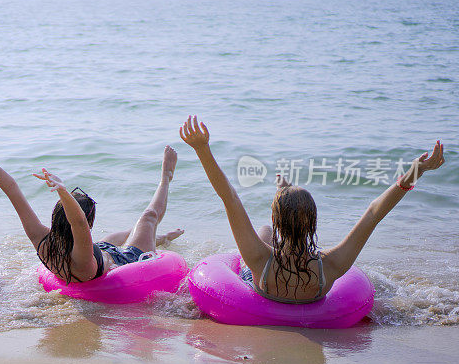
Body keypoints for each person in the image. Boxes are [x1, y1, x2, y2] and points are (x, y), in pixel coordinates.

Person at [179, 114, 446, 303]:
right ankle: (287, 194)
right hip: (311, 278)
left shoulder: (259, 259)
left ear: (278, 221)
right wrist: (417, 170)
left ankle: (282, 198)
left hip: (264, 278)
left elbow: (230, 197)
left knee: (262, 231)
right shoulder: (330, 265)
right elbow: (375, 212)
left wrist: (202, 149)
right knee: (267, 232)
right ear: (314, 223)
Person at [0, 123, 184, 283]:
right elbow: (77, 222)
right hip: (126, 258)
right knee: (147, 218)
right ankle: (166, 177)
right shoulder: (82, 255)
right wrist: (63, 191)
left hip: (104, 252)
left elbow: (12, 190)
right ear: (87, 224)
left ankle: (160, 239)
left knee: (121, 235)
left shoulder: (42, 240)